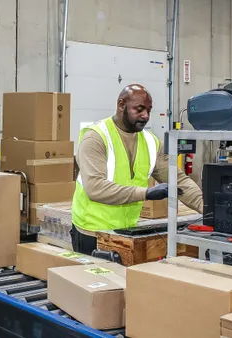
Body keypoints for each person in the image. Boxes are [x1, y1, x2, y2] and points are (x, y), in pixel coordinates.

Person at [71, 84, 203, 254]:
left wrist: (207, 207)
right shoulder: (96, 138)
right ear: (121, 105)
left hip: (126, 231)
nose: (145, 116)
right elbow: (95, 188)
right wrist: (146, 193)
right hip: (92, 231)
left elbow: (179, 181)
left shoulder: (150, 142)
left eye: (149, 110)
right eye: (139, 109)